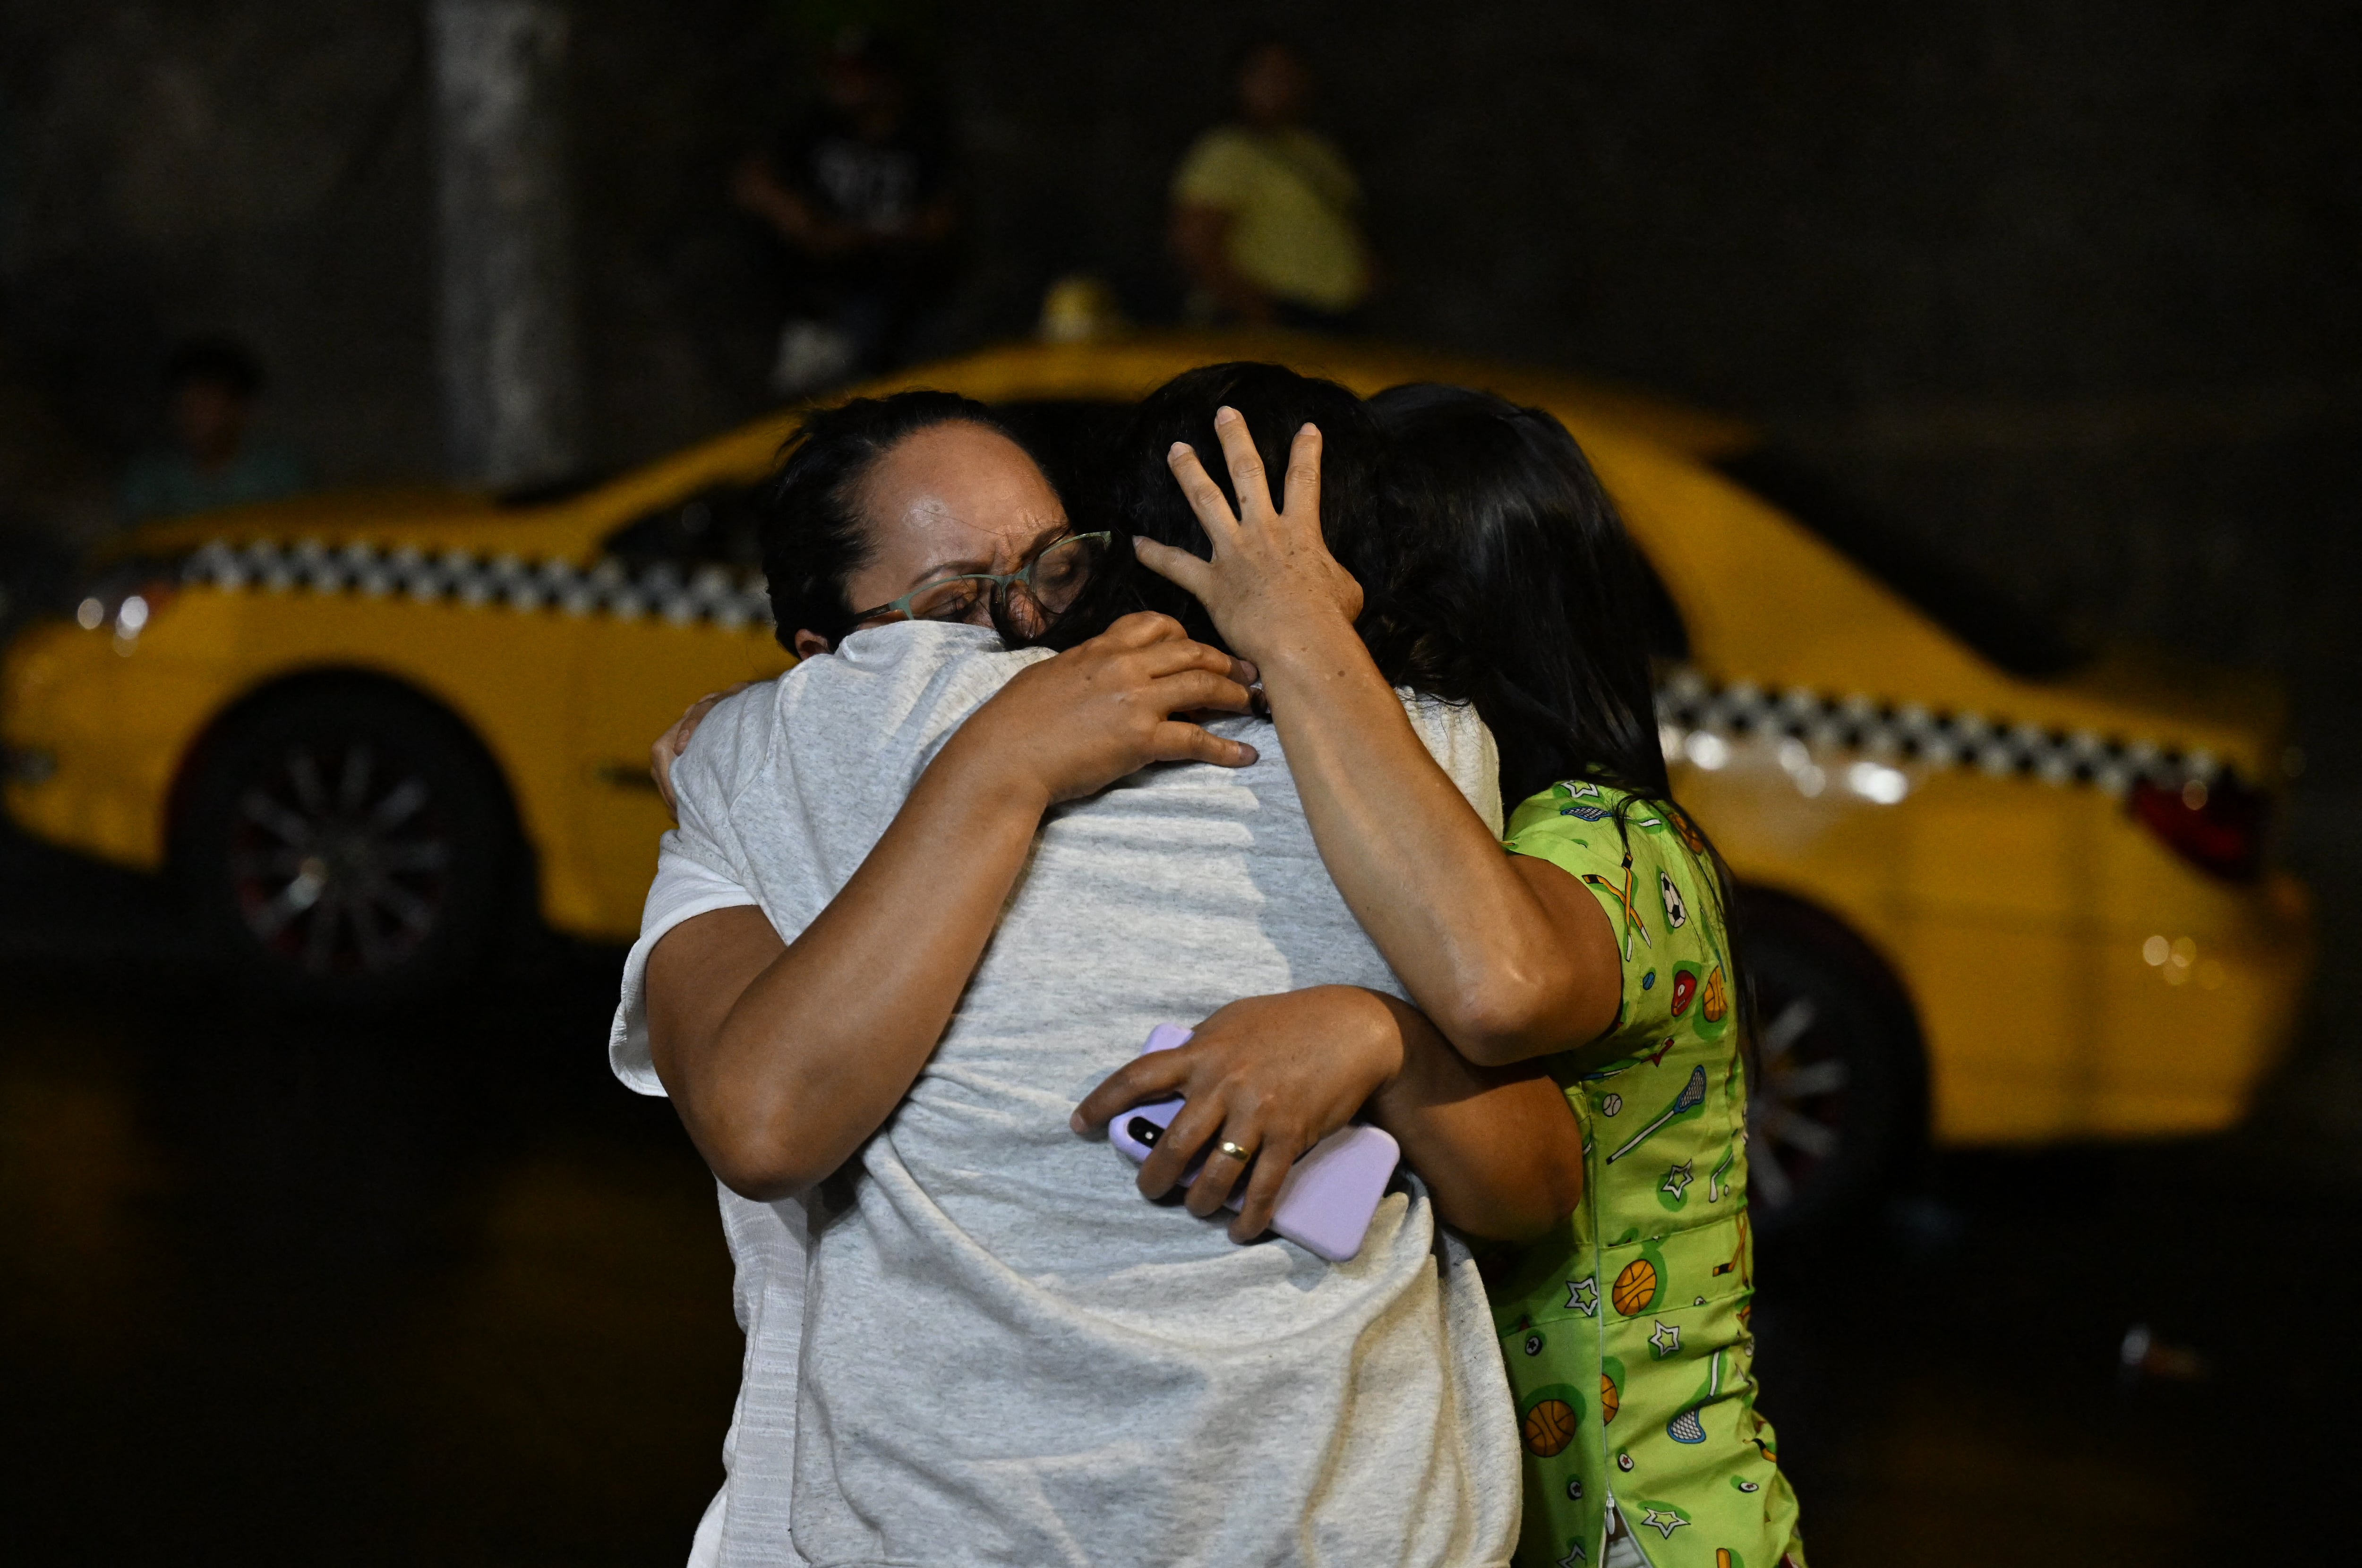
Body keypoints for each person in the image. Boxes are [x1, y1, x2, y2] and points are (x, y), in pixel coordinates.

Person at [616, 379, 1581, 1566]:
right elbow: (763, 1121)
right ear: (826, 658)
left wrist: (1378, 1034)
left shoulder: (1353, 749)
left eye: (1055, 569)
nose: (1025, 631)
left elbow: (1530, 1169)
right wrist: (995, 765)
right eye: (957, 605)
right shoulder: (793, 766)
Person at [1123, 387, 1808, 1568]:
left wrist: (1297, 634)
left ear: (1430, 630)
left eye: (1354, 604)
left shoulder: (1608, 841)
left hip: (1640, 1534)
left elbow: (1498, 985)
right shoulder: (1490, 838)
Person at [732, 31, 958, 395]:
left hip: (886, 285)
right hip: (810, 285)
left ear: (886, 78)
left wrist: (860, 235)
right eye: (838, 72)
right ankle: (809, 345)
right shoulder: (818, 125)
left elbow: (941, 221)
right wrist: (794, 213)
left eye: (856, 74)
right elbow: (750, 180)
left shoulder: (922, 134)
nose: (843, 83)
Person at [1170, 36, 1373, 331]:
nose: (1280, 84)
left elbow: (1349, 224)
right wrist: (1257, 313)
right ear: (1240, 82)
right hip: (1272, 315)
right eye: (1267, 74)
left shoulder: (1317, 151)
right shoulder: (1228, 149)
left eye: (1290, 73)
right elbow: (1195, 243)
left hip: (1340, 317)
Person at [118, 336, 307, 524]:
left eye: (207, 404)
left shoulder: (278, 472)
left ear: (241, 408)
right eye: (185, 404)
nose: (192, 416)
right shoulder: (149, 475)